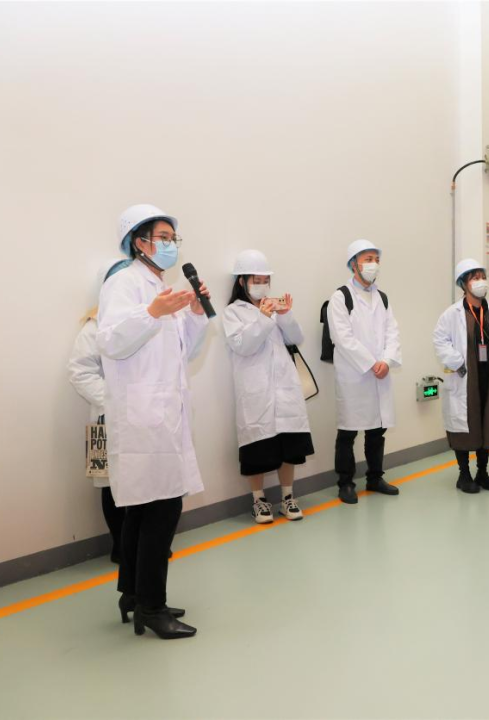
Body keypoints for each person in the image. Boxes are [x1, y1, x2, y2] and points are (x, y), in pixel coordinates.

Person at [98, 204, 209, 639]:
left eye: (172, 238)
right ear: (138, 241)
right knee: (161, 510)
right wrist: (153, 313)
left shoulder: (162, 288)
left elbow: (185, 354)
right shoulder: (124, 283)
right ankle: (153, 606)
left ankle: (132, 593)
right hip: (142, 416)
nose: (169, 245)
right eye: (162, 237)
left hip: (163, 414)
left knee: (145, 510)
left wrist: (194, 315)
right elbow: (111, 341)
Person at [223, 250, 314, 523]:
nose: (262, 285)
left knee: (289, 445)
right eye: (257, 280)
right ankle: (259, 500)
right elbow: (243, 346)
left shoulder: (273, 309)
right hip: (255, 390)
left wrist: (284, 315)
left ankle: (287, 497)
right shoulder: (233, 312)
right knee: (257, 447)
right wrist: (263, 318)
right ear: (242, 281)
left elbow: (296, 338)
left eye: (266, 280)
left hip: (285, 388)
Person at [433, 259, 489, 493]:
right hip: (466, 378)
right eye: (475, 278)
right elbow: (440, 341)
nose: (481, 282)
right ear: (464, 284)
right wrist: (457, 362)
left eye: (482, 277)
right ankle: (464, 475)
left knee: (487, 423)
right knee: (464, 427)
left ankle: (482, 472)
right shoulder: (452, 314)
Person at [67, 258, 132, 564]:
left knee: (141, 481)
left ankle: (142, 545)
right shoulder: (93, 326)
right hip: (104, 417)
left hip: (140, 414)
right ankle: (121, 546)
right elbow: (79, 372)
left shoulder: (143, 321)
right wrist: (113, 399)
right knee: (107, 485)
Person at [328, 239, 402, 504]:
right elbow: (342, 338)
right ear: (353, 264)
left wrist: (387, 360)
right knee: (348, 431)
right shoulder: (340, 297)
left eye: (376, 260)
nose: (373, 264)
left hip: (379, 373)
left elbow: (392, 332)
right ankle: (345, 483)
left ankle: (374, 478)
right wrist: (371, 363)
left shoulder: (382, 297)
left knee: (376, 430)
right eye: (368, 259)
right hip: (354, 375)